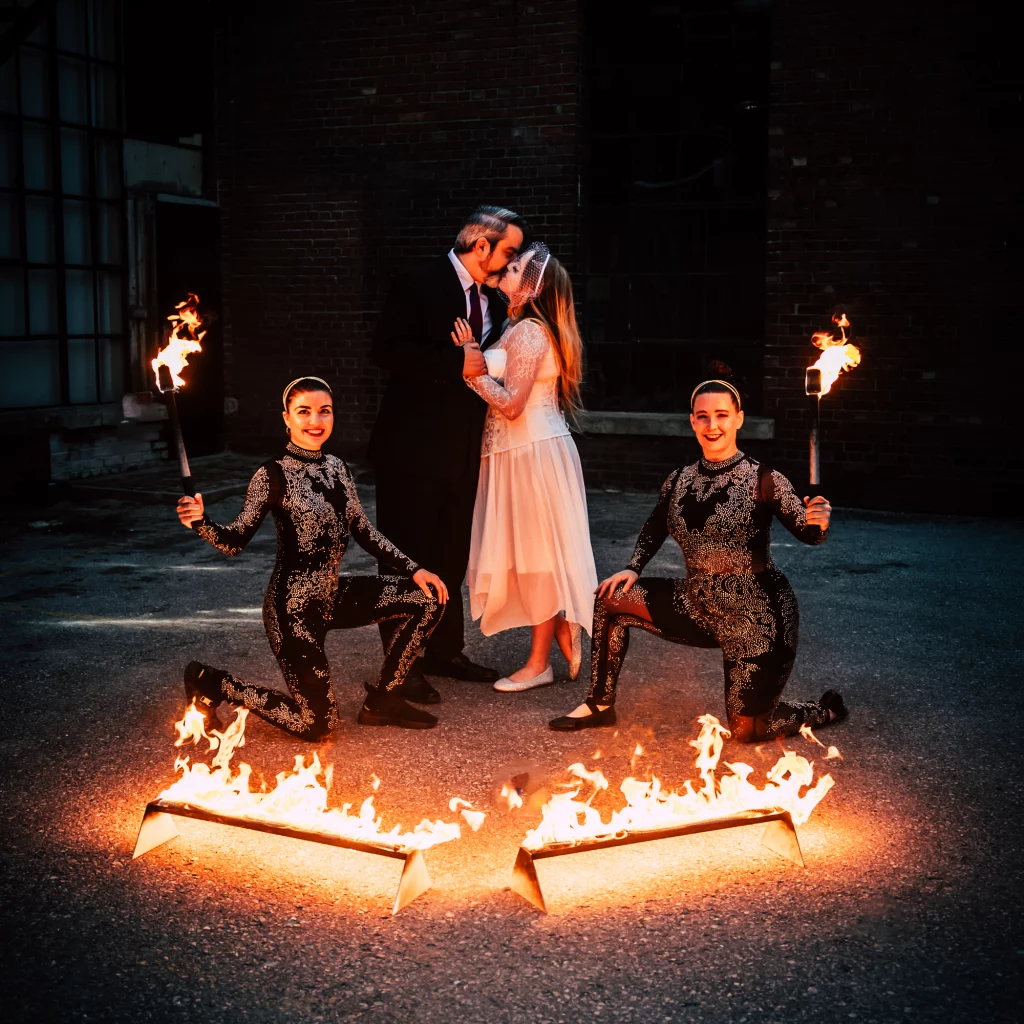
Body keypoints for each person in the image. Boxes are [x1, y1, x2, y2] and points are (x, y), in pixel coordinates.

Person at [549, 368, 846, 740]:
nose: (712, 425)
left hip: (757, 618)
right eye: (703, 416)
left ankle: (820, 710)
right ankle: (599, 704)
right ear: (692, 421)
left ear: (738, 419)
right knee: (612, 599)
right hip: (697, 603)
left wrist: (819, 521)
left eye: (722, 415)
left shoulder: (766, 479)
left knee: (748, 730)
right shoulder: (678, 479)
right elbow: (656, 525)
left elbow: (809, 534)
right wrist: (633, 568)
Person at [176, 377, 450, 737]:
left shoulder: (338, 467)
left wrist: (415, 569)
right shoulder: (272, 474)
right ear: (286, 418)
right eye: (303, 411)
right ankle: (213, 683)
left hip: (333, 595)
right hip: (293, 611)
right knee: (316, 724)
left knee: (430, 597)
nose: (315, 420)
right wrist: (201, 523)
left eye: (324, 411)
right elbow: (234, 542)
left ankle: (384, 699)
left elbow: (364, 530)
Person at [368, 205, 528, 701]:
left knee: (450, 556)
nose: (511, 260)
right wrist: (453, 362)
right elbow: (387, 350)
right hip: (410, 450)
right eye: (509, 250)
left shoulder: (494, 300)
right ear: (481, 246)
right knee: (406, 556)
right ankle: (402, 662)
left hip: (464, 452)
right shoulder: (419, 281)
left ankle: (444, 649)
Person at [455, 242, 598, 691]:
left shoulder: (530, 332)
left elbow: (513, 406)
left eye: (514, 268)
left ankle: (539, 663)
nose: (505, 271)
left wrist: (473, 374)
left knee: (536, 555)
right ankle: (556, 621)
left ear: (532, 287)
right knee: (529, 553)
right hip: (517, 451)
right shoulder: (517, 327)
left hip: (531, 449)